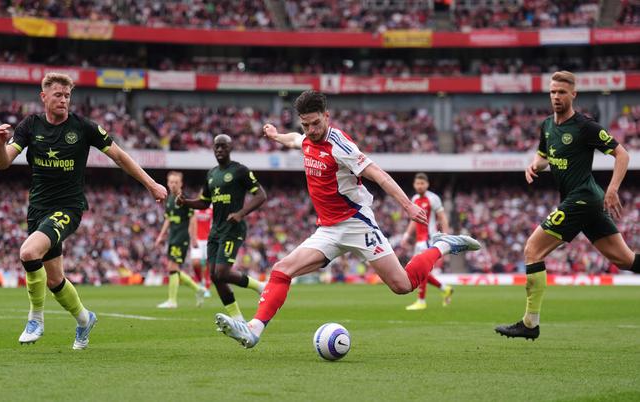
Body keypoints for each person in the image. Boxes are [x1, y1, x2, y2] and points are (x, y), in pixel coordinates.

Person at [213, 90, 481, 349]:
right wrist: (276, 136)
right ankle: (253, 330)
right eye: (306, 124)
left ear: (326, 116)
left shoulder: (340, 145)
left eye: (316, 123)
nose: (311, 130)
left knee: (403, 285)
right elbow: (296, 139)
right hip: (328, 229)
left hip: (357, 224)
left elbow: (378, 174)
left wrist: (408, 206)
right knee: (281, 270)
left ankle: (443, 245)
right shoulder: (307, 139)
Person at [0, 72, 167, 349]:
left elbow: (120, 156)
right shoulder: (30, 126)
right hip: (37, 209)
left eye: (67, 95)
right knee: (54, 280)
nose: (63, 100)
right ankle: (85, 319)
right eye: (58, 95)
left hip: (68, 208)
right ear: (44, 97)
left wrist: (151, 184)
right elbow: (3, 163)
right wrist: (0, 145)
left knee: (28, 252)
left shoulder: (84, 127)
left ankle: (35, 319)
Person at [495, 71, 639, 340]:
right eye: (553, 92)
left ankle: (530, 323)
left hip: (583, 197)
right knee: (625, 260)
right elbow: (544, 157)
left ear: (573, 94)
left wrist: (613, 189)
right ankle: (529, 323)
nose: (556, 97)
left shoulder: (585, 126)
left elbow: (622, 154)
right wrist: (533, 166)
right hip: (583, 201)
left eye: (562, 92)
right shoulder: (547, 126)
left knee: (532, 250)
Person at [177, 134, 267, 321]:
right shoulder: (211, 174)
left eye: (223, 146)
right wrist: (186, 202)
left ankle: (260, 287)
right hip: (215, 231)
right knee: (215, 276)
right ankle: (238, 320)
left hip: (233, 229)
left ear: (230, 148)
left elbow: (261, 195)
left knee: (222, 272)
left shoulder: (240, 170)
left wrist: (240, 213)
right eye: (216, 146)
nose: (219, 150)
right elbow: (204, 202)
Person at [402, 173, 453, 311]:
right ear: (414, 185)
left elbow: (442, 217)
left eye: (422, 183)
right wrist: (406, 235)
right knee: (421, 271)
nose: (419, 186)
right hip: (419, 241)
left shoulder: (433, 198)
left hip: (429, 239)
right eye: (417, 183)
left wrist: (446, 237)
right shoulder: (415, 199)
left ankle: (421, 301)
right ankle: (445, 289)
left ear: (427, 184)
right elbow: (414, 220)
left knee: (420, 270)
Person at [155, 171, 204, 308]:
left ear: (181, 184)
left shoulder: (184, 199)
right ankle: (198, 289)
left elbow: (193, 218)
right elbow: (168, 219)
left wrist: (194, 237)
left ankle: (172, 301)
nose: (173, 184)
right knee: (173, 268)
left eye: (176, 182)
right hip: (172, 236)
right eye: (171, 182)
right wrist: (161, 236)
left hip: (181, 237)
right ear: (167, 183)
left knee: (173, 267)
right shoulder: (169, 199)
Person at [190, 206, 213, 298]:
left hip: (208, 239)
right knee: (195, 263)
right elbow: (191, 223)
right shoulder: (195, 209)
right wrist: (192, 238)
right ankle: (200, 282)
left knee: (208, 264)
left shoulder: (211, 209)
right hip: (197, 240)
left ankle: (207, 287)